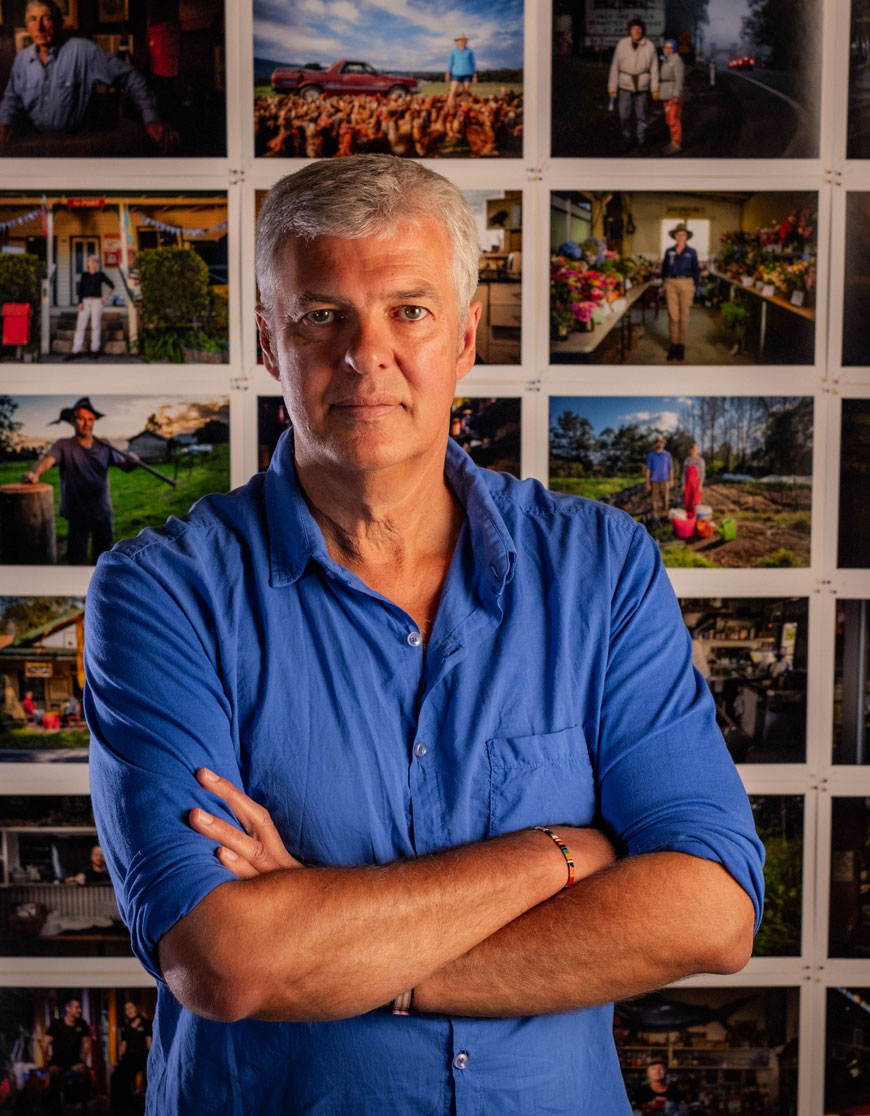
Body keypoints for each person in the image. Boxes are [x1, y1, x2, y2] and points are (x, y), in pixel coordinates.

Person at [84, 155, 763, 1115]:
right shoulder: (162, 595)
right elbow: (228, 962)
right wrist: (558, 856)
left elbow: (710, 912)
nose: (368, 353)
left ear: (465, 338)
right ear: (270, 343)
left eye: (410, 310)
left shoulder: (600, 569)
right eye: (323, 314)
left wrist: (357, 962)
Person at [0, 1, 178, 155]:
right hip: (36, 147)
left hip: (77, 147)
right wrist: (3, 122)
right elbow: (11, 98)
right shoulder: (22, 60)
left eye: (46, 18)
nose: (39, 27)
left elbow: (130, 76)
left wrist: (151, 119)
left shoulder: (84, 51)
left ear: (58, 23)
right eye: (33, 19)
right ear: (27, 25)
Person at [21, 396, 138, 566]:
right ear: (73, 421)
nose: (86, 423)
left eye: (90, 419)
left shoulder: (104, 445)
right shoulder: (64, 446)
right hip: (77, 515)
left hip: (102, 512)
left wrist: (132, 461)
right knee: (76, 559)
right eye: (81, 418)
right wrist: (34, 474)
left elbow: (125, 466)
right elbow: (47, 460)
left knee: (104, 560)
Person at [608, 18, 659, 150]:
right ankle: (627, 138)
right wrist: (612, 87)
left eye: (639, 29)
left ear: (642, 31)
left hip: (642, 85)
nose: (636, 31)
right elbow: (615, 67)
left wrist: (654, 89)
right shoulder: (622, 44)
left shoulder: (650, 46)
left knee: (641, 115)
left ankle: (641, 141)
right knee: (623, 115)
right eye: (634, 29)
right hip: (625, 84)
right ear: (630, 31)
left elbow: (654, 69)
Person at [42, 998, 91, 1115]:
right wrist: (46, 1062)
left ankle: (84, 1105)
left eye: (80, 1007)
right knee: (53, 1073)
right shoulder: (56, 1024)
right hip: (57, 1062)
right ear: (68, 1009)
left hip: (75, 1062)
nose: (79, 1010)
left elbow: (86, 1045)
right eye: (76, 1007)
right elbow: (44, 1043)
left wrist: (83, 1062)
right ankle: (55, 1107)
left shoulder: (82, 1024)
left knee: (86, 1073)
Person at [662, 222, 700, 361]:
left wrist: (693, 285)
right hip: (671, 283)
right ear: (674, 236)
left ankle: (681, 346)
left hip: (687, 283)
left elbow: (696, 270)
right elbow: (664, 268)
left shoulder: (692, 252)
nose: (680, 236)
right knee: (673, 316)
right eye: (678, 234)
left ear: (686, 236)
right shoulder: (668, 251)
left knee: (684, 317)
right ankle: (673, 345)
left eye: (683, 234)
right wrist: (665, 282)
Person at [109, 999, 152, 1115]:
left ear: (136, 1008)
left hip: (140, 1057)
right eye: (126, 1009)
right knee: (115, 1076)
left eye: (131, 1008)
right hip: (128, 1057)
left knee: (122, 1076)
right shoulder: (126, 1026)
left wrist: (151, 1062)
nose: (129, 1011)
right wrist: (119, 1060)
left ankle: (127, 1106)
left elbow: (150, 1044)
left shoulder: (146, 1023)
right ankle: (121, 1106)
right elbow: (123, 1044)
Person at [67, 257, 114, 360]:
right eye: (90, 261)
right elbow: (81, 289)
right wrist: (80, 302)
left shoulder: (100, 275)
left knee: (95, 326)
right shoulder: (84, 275)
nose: (92, 263)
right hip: (85, 302)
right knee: (80, 326)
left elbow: (111, 285)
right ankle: (76, 351)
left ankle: (94, 350)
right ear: (88, 264)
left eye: (94, 261)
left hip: (97, 302)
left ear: (96, 264)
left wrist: (105, 297)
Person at [658, 38, 685, 154]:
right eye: (666, 47)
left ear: (674, 49)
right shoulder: (666, 60)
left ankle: (676, 143)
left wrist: (676, 94)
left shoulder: (676, 60)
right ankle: (673, 141)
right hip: (666, 92)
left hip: (673, 94)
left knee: (674, 118)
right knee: (669, 119)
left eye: (670, 48)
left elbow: (679, 78)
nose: (667, 50)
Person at [445, 33, 477, 113]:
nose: (461, 42)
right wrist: (448, 73)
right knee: (453, 92)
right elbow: (451, 63)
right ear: (457, 42)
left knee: (465, 91)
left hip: (468, 74)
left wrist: (474, 75)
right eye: (460, 40)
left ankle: (463, 109)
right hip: (457, 74)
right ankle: (450, 109)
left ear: (465, 41)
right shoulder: (454, 52)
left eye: (463, 40)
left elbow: (473, 63)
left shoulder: (469, 51)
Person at [645, 435, 675, 520]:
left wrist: (671, 480)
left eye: (661, 442)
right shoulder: (651, 455)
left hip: (665, 480)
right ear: (656, 444)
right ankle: (654, 514)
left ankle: (665, 513)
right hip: (654, 480)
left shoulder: (667, 455)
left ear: (663, 444)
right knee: (654, 498)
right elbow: (648, 469)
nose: (659, 444)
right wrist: (647, 482)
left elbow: (671, 468)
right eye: (658, 442)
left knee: (665, 497)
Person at [682, 443, 705, 515]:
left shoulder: (700, 460)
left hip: (696, 484)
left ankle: (696, 518)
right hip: (688, 484)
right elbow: (684, 473)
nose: (693, 451)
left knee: (696, 501)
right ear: (690, 451)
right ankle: (689, 517)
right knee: (687, 501)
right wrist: (683, 484)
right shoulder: (687, 460)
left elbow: (702, 473)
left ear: (697, 450)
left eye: (695, 449)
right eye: (692, 449)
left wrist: (700, 485)